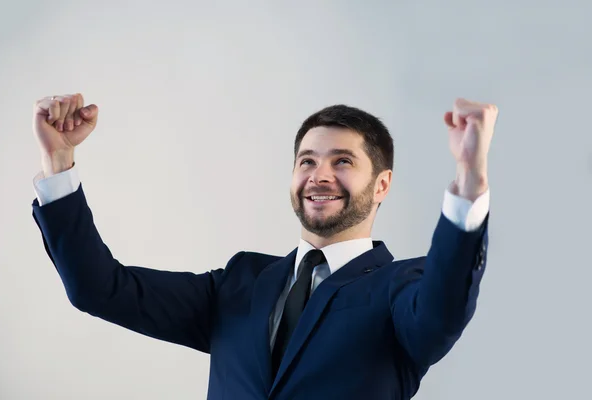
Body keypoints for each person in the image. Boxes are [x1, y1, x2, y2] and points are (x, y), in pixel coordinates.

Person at [31, 93, 496, 400]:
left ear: (382, 185)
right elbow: (100, 289)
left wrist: (469, 183)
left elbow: (441, 309)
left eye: (343, 161)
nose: (320, 175)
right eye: (307, 161)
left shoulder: (401, 288)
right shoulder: (240, 283)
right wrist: (59, 163)